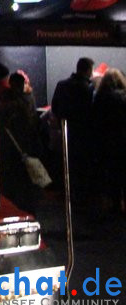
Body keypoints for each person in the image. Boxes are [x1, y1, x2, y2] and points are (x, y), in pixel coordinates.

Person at [51, 57, 96, 200]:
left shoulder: (62, 85)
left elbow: (55, 107)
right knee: (83, 165)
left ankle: (68, 192)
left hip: (66, 131)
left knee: (66, 163)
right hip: (85, 133)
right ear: (88, 70)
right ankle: (82, 194)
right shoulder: (88, 88)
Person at [0, 72, 43, 212]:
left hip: (11, 148)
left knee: (14, 182)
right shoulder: (27, 100)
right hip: (26, 146)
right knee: (27, 182)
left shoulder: (6, 102)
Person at [92, 68, 126, 213]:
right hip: (123, 140)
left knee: (111, 174)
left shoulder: (99, 97)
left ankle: (115, 203)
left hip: (106, 141)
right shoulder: (124, 97)